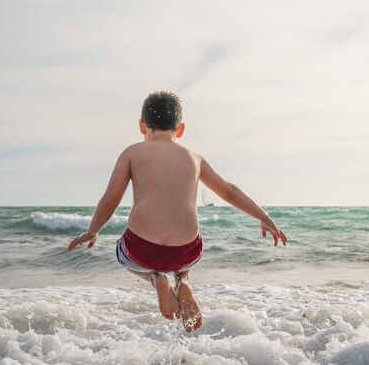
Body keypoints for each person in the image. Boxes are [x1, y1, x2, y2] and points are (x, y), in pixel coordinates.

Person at [68, 91, 288, 332]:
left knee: (122, 255)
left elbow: (111, 198)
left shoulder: (131, 153)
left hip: (141, 250)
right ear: (180, 129)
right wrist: (264, 217)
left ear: (142, 126)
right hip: (186, 252)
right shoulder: (195, 158)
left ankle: (157, 280)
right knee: (186, 258)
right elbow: (229, 192)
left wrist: (92, 231)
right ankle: (183, 282)